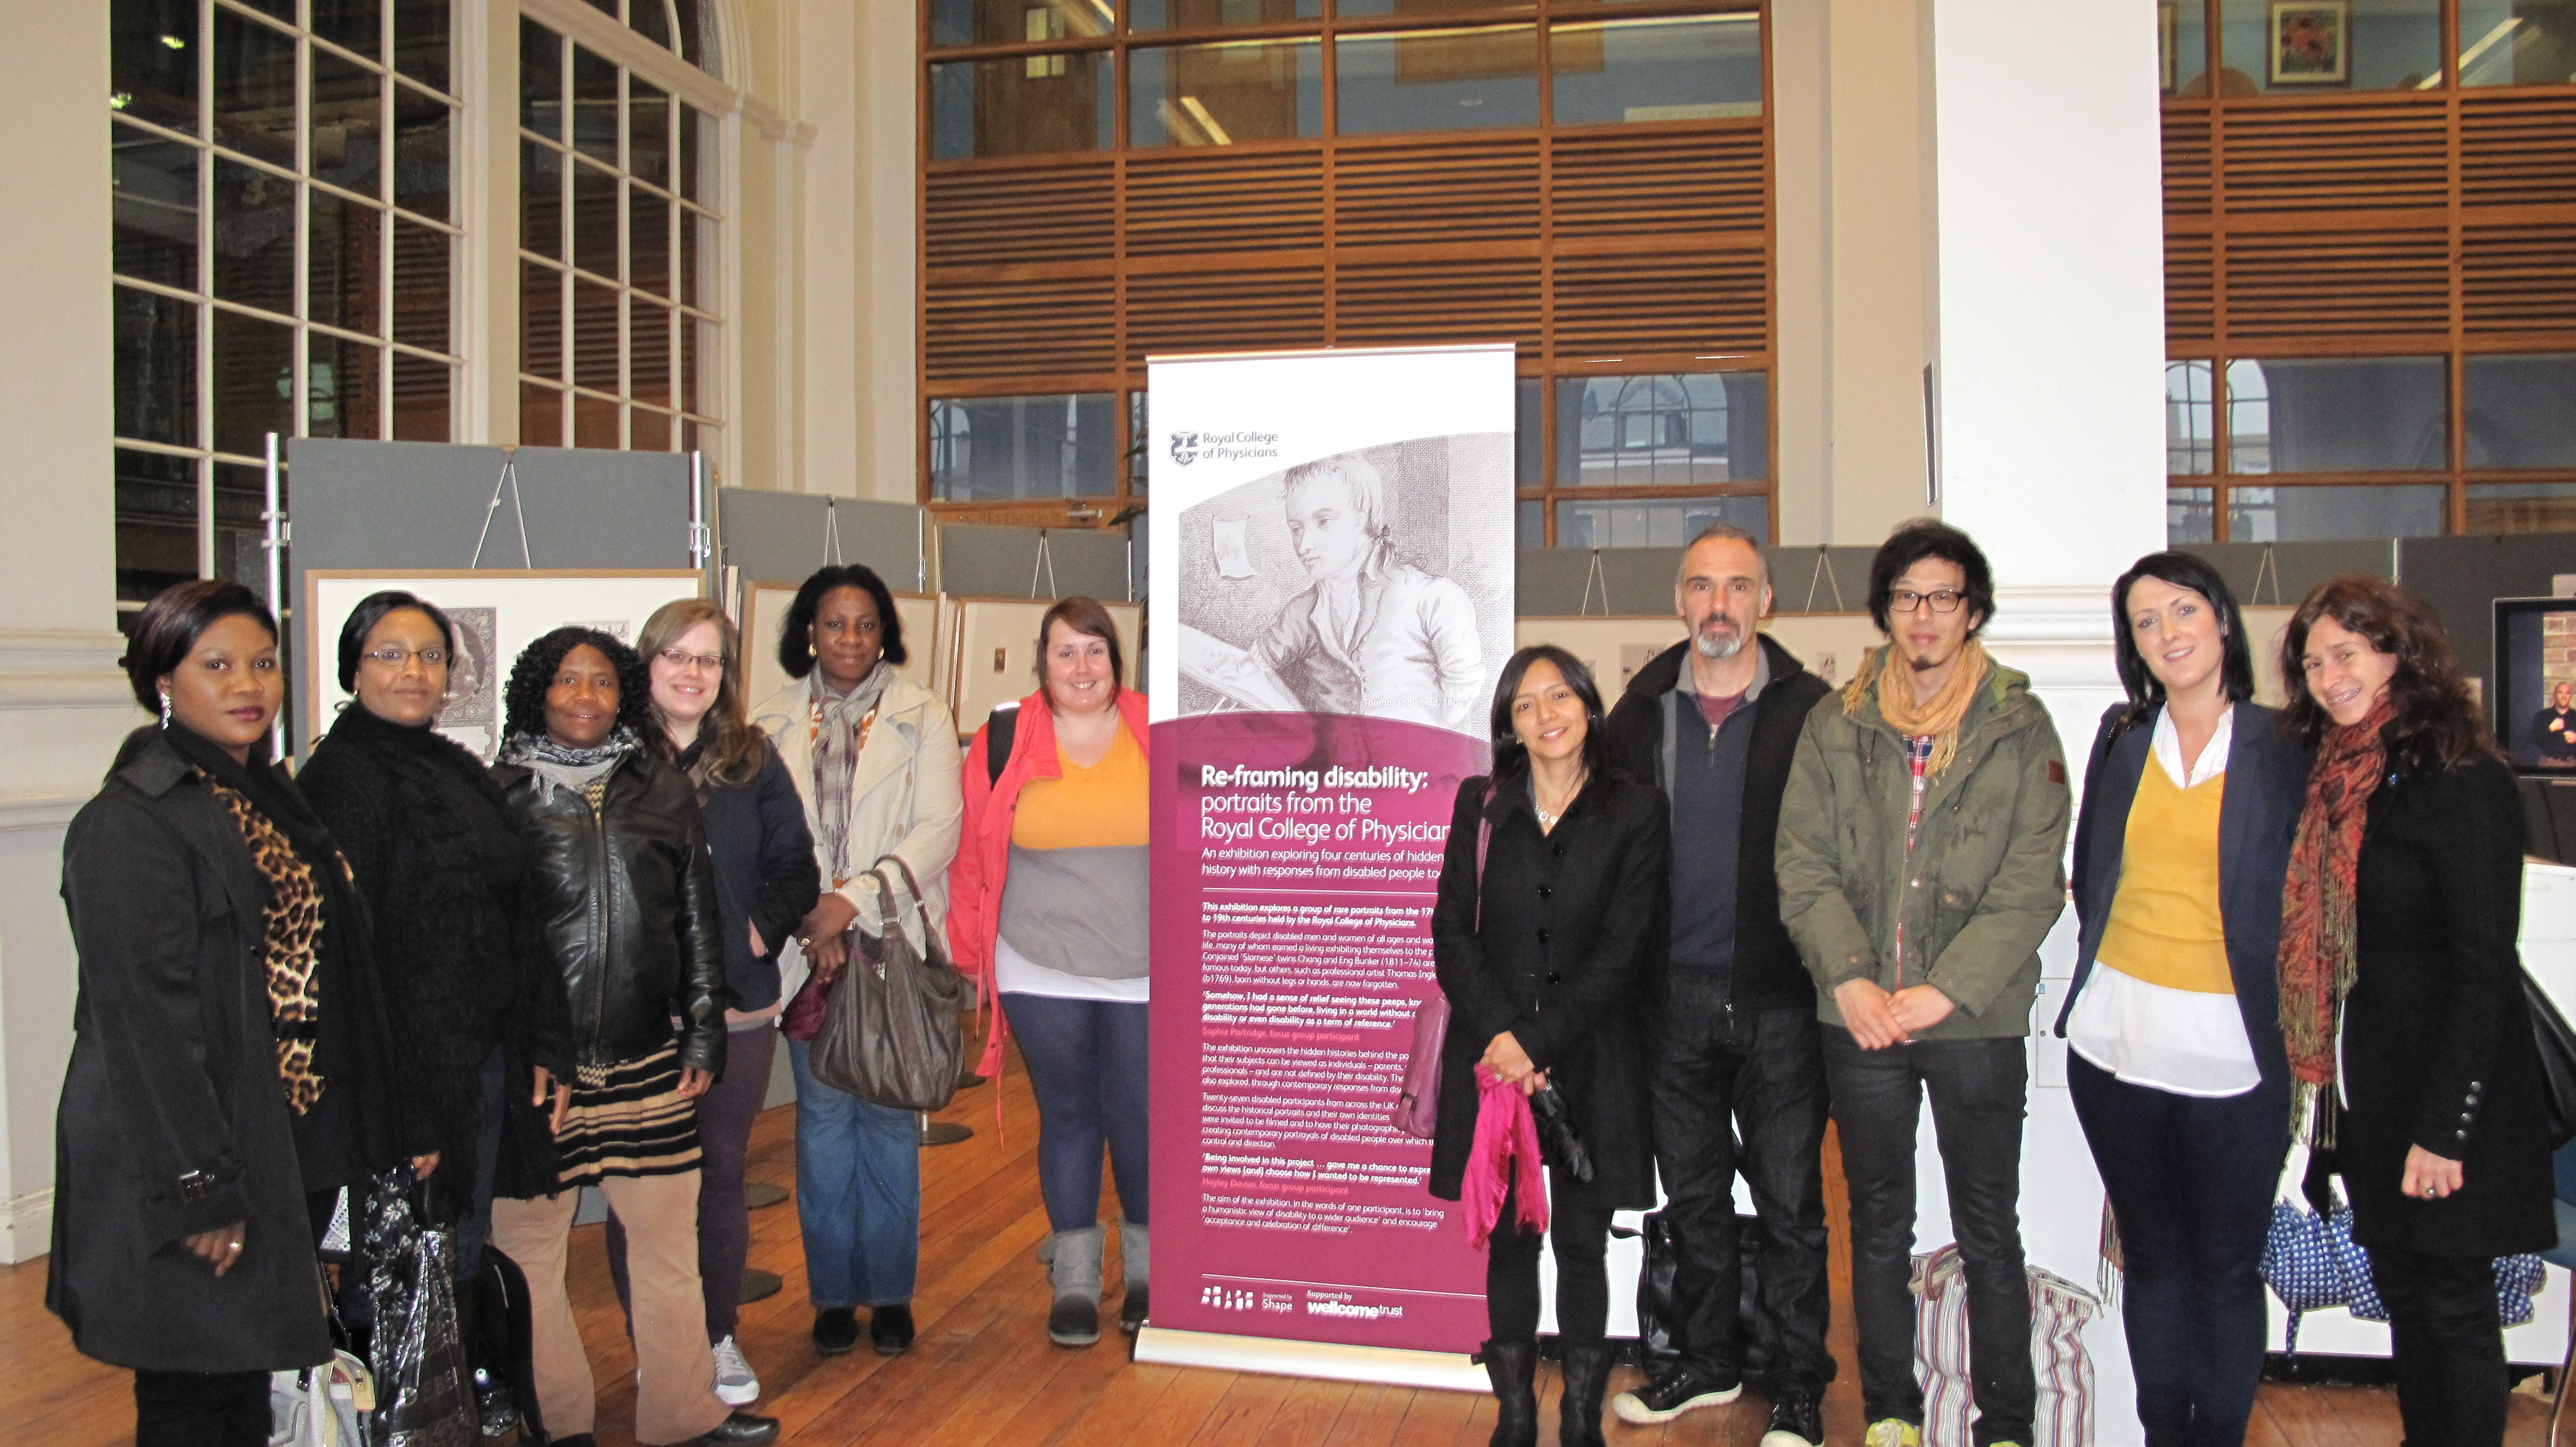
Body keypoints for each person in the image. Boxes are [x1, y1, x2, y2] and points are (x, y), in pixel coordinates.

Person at [53, 580, 432, 1447]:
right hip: (195, 1152)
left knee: (244, 1378)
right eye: (216, 665)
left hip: (278, 1137)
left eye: (262, 663)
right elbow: (147, 1028)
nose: (247, 685)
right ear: (163, 681)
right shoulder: (131, 822)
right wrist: (199, 1190)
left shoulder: (263, 792)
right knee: (195, 1391)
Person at [1776, 520, 2070, 1447]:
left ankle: (2008, 1422)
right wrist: (1853, 981)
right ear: (1886, 611)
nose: (1924, 614)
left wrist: (1944, 989)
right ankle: (1891, 1410)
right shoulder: (1837, 722)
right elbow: (1803, 865)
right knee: (1877, 1226)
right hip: (1860, 1019)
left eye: (1943, 596)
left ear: (1972, 610)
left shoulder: (2020, 725)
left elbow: (2032, 883)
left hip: (1973, 1018)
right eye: (1907, 596)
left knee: (1990, 1227)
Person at [2278, 575, 2553, 1447]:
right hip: (2376, 1096)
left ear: (2397, 653)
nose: (2329, 676)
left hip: (2451, 1099)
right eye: (2314, 662)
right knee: (2406, 1296)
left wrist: (2445, 1129)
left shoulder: (2461, 778)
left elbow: (2483, 968)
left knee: (2455, 1308)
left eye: (2347, 654)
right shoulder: (2340, 780)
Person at [487, 627, 777, 1447]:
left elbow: (696, 918)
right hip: (540, 1071)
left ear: (626, 695)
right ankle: (560, 1422)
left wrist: (705, 1033)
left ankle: (682, 1415)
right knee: (531, 1256)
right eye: (569, 682)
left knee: (664, 1244)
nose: (586, 697)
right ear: (539, 691)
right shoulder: (498, 794)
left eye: (604, 683)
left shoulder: (661, 787)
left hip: (649, 1054)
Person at [298, 590, 576, 1434]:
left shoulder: (451, 767)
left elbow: (515, 918)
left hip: (478, 1066)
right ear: (352, 668)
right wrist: (406, 1111)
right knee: (399, 1283)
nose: (413, 672)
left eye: (429, 656)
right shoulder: (340, 780)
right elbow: (353, 971)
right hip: (408, 1088)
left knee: (450, 1263)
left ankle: (445, 1418)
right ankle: (405, 1425)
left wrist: (541, 1040)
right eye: (390, 654)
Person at [2056, 553, 2308, 1447]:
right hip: (2114, 1046)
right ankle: (2166, 1434)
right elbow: (2093, 873)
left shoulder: (2286, 747)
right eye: (2146, 621)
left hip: (2236, 1058)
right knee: (2154, 1261)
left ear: (2223, 621)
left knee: (2227, 1270)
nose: (2168, 632)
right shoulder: (2124, 738)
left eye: (2183, 609)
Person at [1600, 526, 1836, 1446]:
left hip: (1779, 1002)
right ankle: (1704, 1361)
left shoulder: (1814, 710)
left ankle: (1798, 1384)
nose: (1720, 606)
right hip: (1673, 1003)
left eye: (1738, 587)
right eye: (1702, 586)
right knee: (1691, 1197)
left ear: (1766, 602)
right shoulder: (1641, 708)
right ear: (1679, 599)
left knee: (1790, 1206)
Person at [1430, 644, 1665, 1447]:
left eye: (1559, 696)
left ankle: (1577, 1417)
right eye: (1526, 705)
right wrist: (1503, 1039)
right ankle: (1516, 1414)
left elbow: (1624, 952)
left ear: (1588, 707)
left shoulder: (1635, 811)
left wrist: (1532, 1041)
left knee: (1582, 1245)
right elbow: (1451, 931)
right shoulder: (1482, 804)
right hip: (1495, 1066)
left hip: (1592, 1060)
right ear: (1509, 725)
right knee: (1510, 1243)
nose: (1546, 716)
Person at [601, 599, 819, 1405]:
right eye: (676, 656)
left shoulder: (753, 758)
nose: (693, 673)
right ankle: (657, 1346)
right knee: (644, 1186)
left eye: (710, 659)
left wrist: (755, 937)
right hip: (639, 1014)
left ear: (726, 675)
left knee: (719, 1175)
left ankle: (718, 1337)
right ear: (647, 663)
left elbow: (796, 867)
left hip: (737, 1007)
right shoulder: (613, 760)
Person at [748, 565, 959, 1359]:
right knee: (824, 1126)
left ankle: (892, 1296)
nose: (849, 639)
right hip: (809, 952)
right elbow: (767, 839)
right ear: (809, 629)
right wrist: (815, 915)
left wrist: (852, 904)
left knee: (890, 1122)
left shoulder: (922, 715)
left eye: (865, 624)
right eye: (834, 623)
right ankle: (834, 1296)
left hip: (890, 945)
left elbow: (939, 828)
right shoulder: (766, 722)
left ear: (885, 634)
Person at [950, 597, 1152, 1347]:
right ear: (1042, 661)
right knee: (1068, 1115)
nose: (1081, 667)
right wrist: (971, 956)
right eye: (1065, 652)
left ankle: (1145, 1271)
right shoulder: (1005, 737)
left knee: (1137, 1113)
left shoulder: (1156, 727)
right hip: (1038, 963)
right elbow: (972, 852)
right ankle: (1072, 1275)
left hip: (1143, 967)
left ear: (1116, 659)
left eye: (1095, 650)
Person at [1251, 453, 1485, 731]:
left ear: (1360, 520)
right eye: (1296, 529)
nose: (1304, 545)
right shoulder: (1299, 613)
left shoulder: (1434, 598)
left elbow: (1461, 704)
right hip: (1335, 772)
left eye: (1323, 522)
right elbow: (1249, 671)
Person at [2532, 679, 2576, 768]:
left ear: (2570, 696)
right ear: (2555, 695)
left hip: (2573, 764)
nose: (2564, 696)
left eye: (2567, 693)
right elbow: (2534, 739)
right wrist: (2550, 729)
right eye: (2560, 693)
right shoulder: (2542, 716)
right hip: (2550, 763)